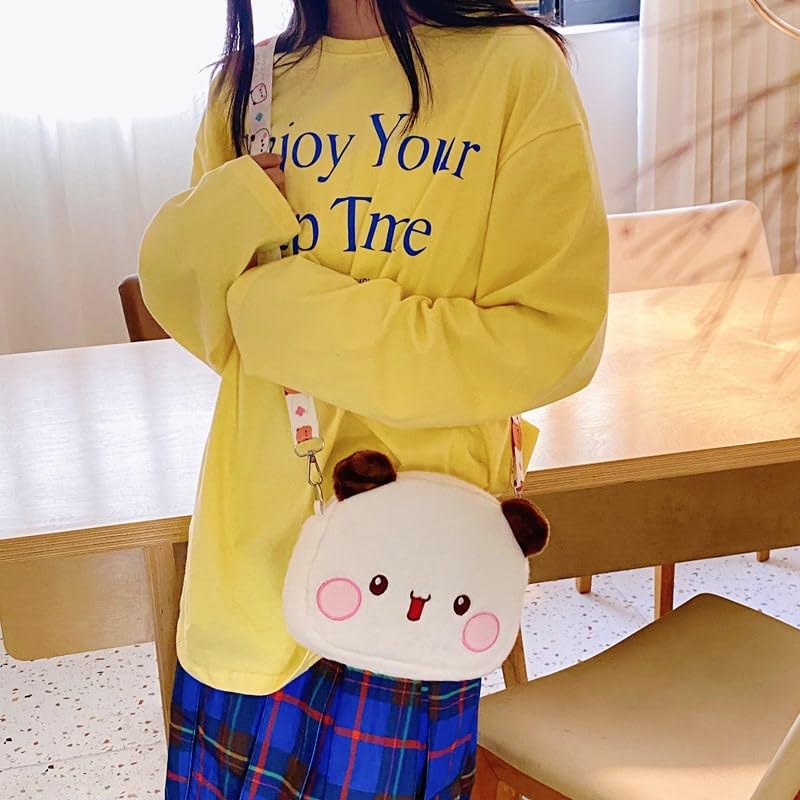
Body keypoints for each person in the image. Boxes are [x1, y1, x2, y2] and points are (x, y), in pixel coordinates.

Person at [138, 0, 609, 796]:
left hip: (412, 571)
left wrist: (289, 314)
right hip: (252, 555)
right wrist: (228, 212)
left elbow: (553, 337)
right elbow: (214, 327)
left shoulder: (515, 67)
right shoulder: (249, 84)